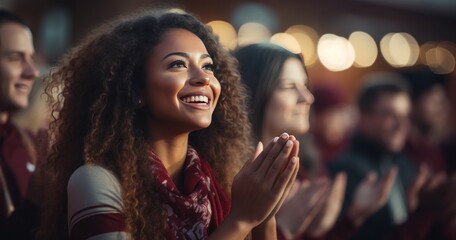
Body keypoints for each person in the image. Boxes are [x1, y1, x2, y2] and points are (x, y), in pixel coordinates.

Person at [38, 10, 300, 239]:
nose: (203, 79)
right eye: (178, 64)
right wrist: (242, 219)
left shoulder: (219, 180)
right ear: (136, 87)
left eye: (208, 67)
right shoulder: (95, 180)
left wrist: (266, 215)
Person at [235, 44, 397, 240]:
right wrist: (283, 229)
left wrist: (351, 218)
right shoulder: (230, 176)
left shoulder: (305, 168)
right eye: (289, 86)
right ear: (252, 93)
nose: (308, 98)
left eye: (304, 86)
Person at [329, 72, 455, 240]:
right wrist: (424, 213)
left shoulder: (406, 165)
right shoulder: (343, 172)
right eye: (390, 114)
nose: (401, 125)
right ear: (364, 116)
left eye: (405, 116)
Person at [0, 9, 41, 238]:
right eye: (15, 58)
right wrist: (35, 203)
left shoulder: (29, 142)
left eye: (31, 58)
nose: (32, 71)